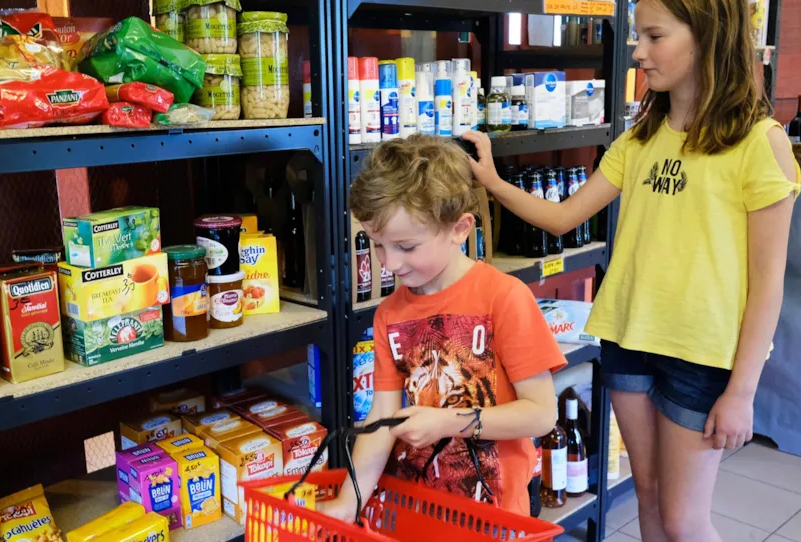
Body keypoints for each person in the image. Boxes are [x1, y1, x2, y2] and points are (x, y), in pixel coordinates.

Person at [462, 0, 800, 539]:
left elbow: (767, 287)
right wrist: (494, 182)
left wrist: (741, 392)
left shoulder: (761, 144)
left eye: (653, 36)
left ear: (707, 36)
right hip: (630, 337)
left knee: (685, 521)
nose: (637, 52)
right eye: (636, 36)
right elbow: (563, 216)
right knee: (650, 502)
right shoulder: (640, 137)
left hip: (704, 354)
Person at [320, 135, 566, 522]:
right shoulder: (389, 313)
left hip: (495, 516)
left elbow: (541, 414)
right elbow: (381, 420)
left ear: (459, 228)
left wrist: (449, 423)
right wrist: (348, 502)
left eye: (407, 246)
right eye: (377, 245)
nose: (390, 263)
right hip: (420, 512)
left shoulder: (504, 298)